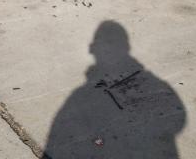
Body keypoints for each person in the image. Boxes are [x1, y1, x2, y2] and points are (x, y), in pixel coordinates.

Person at [45, 21, 186, 158]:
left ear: (92, 49)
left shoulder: (81, 96)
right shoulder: (155, 84)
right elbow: (176, 119)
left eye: (110, 45)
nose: (107, 52)